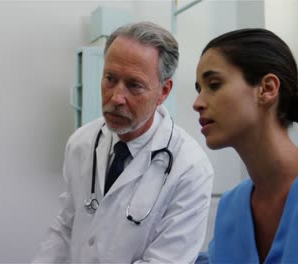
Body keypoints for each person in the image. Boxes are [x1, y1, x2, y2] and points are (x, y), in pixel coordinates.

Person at [32, 21, 214, 263]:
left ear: (164, 91)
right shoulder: (82, 143)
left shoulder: (190, 168)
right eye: (110, 79)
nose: (116, 97)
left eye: (134, 85)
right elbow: (66, 227)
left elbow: (165, 260)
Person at [193, 28, 298, 263]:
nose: (197, 103)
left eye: (214, 84)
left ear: (268, 89)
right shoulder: (230, 208)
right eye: (199, 89)